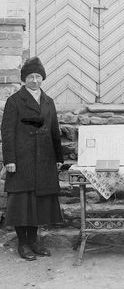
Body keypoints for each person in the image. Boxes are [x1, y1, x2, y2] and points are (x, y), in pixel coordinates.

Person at [1, 57, 64, 261]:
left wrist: (59, 157)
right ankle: (23, 243)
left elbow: (54, 130)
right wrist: (9, 159)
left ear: (42, 78)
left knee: (38, 202)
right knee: (22, 202)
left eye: (38, 76)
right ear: (23, 79)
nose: (35, 80)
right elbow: (7, 131)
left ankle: (34, 242)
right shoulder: (14, 101)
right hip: (22, 160)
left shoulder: (48, 101)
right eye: (30, 77)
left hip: (44, 159)